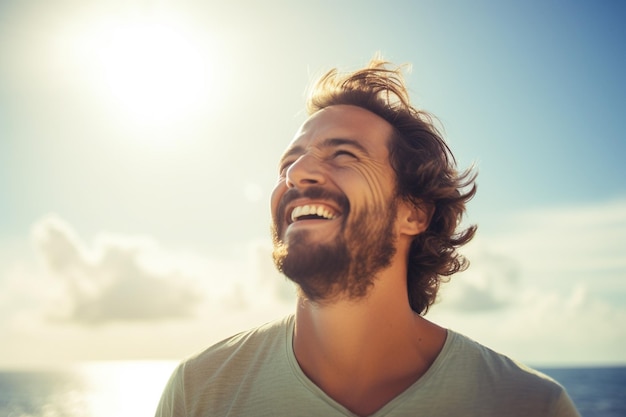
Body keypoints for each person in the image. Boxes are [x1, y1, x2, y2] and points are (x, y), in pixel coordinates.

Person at [155, 59, 580, 417]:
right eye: (289, 162)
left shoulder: (529, 405)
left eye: (343, 154)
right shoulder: (199, 392)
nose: (296, 173)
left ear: (413, 212)